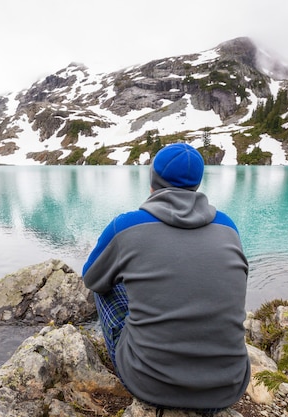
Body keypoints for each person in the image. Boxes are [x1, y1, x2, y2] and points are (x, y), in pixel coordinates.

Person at [82, 142, 250, 413]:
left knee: (106, 285)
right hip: (228, 385)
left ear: (153, 182)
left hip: (150, 385)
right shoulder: (228, 227)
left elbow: (92, 279)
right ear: (197, 184)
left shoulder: (126, 226)